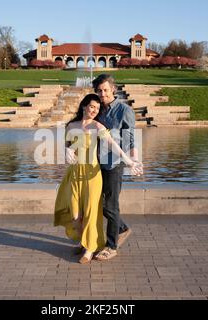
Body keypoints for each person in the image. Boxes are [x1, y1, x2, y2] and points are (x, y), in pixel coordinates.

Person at [54, 94, 141, 264]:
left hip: (92, 175)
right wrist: (67, 151)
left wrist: (129, 161)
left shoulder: (97, 126)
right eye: (92, 106)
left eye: (97, 108)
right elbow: (68, 146)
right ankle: (84, 240)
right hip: (75, 174)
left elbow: (113, 145)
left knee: (91, 213)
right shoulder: (71, 126)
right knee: (76, 215)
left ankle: (89, 248)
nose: (94, 110)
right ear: (84, 106)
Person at [93, 74, 143, 262]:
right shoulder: (97, 109)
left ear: (113, 89)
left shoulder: (124, 110)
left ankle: (111, 246)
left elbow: (130, 138)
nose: (102, 93)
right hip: (96, 163)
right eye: (99, 90)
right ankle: (121, 228)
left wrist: (134, 161)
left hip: (114, 163)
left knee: (110, 205)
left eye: (105, 89)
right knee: (97, 203)